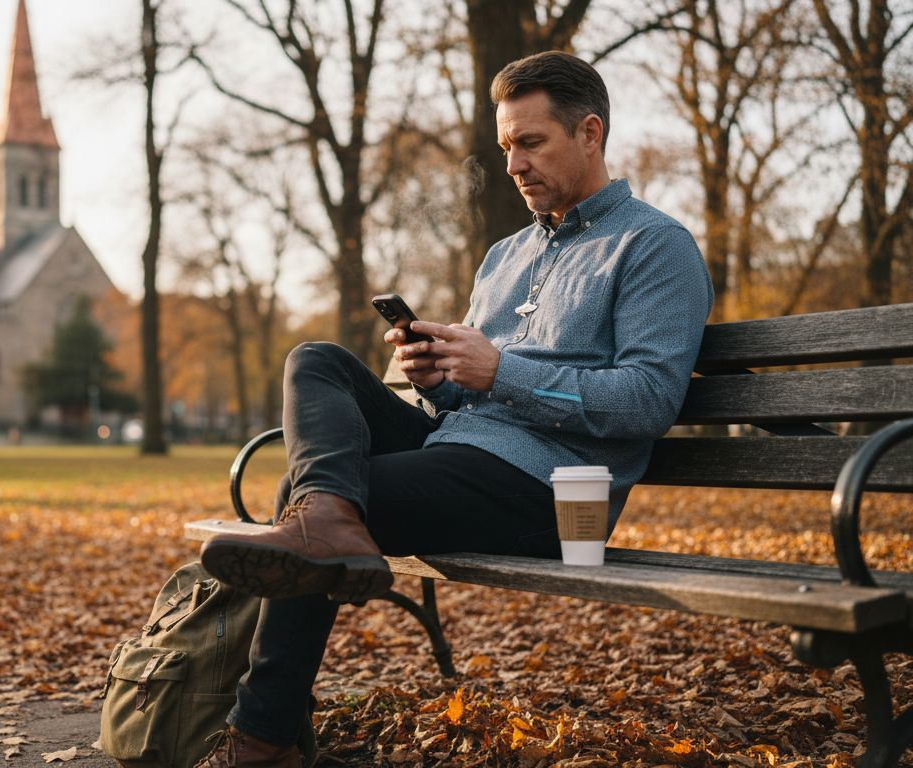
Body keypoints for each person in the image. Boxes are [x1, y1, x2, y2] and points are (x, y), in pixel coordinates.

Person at [193, 51, 714, 767]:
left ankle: (262, 741)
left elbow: (650, 400)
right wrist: (439, 380)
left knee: (306, 497)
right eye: (505, 147)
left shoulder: (654, 246)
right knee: (317, 362)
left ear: (590, 134)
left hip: (551, 492)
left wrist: (501, 371)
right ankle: (322, 540)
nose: (513, 165)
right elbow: (467, 404)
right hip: (463, 453)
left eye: (531, 143)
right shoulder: (504, 256)